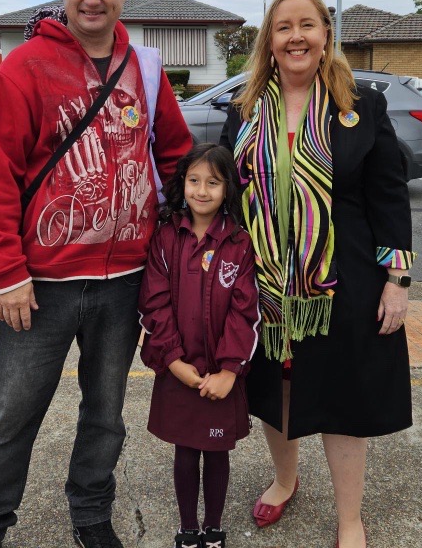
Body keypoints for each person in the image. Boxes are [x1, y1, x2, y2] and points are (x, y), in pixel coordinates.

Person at [0, 0, 193, 548]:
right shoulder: (26, 66)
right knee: (11, 417)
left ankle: (91, 516)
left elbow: (175, 155)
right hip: (40, 286)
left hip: (124, 282)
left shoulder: (144, 67)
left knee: (106, 418)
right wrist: (7, 273)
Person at [219, 0, 414, 548]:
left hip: (343, 282)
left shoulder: (361, 107)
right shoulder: (247, 109)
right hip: (264, 284)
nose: (296, 36)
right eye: (284, 27)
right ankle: (285, 479)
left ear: (327, 35)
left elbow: (389, 198)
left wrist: (397, 281)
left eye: (308, 25)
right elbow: (233, 193)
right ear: (270, 41)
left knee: (343, 398)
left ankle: (350, 518)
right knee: (274, 391)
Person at [138, 143, 260, 548]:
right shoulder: (166, 237)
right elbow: (154, 303)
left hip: (221, 374)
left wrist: (229, 371)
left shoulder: (240, 244)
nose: (202, 190)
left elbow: (246, 312)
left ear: (228, 189)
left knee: (218, 450)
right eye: (194, 181)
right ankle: (188, 527)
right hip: (179, 369)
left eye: (213, 182)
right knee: (186, 451)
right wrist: (172, 361)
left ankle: (213, 527)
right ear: (182, 184)